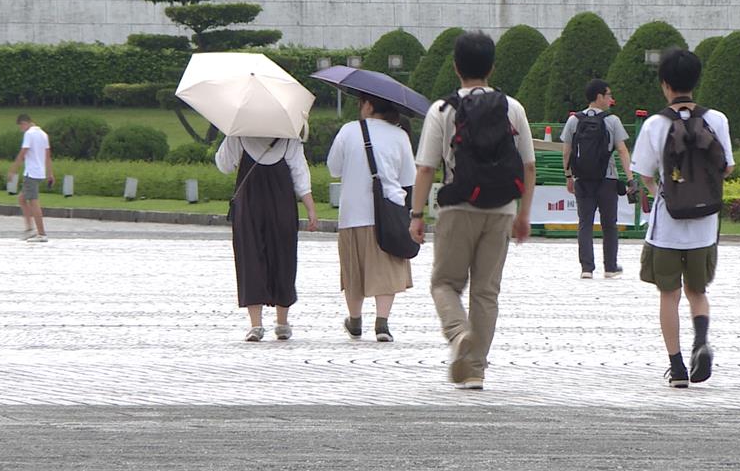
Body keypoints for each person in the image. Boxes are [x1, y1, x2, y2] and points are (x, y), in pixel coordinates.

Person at [409, 31, 536, 390]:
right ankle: (475, 368)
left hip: (457, 208)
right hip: (501, 210)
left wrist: (416, 215)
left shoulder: (443, 109)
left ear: (455, 66)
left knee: (444, 283)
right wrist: (523, 214)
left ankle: (458, 333)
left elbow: (425, 168)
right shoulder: (513, 107)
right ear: (492, 67)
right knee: (486, 292)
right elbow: (528, 166)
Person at [630, 48, 735, 388]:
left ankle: (676, 368)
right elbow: (727, 167)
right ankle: (701, 340)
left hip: (668, 227)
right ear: (696, 80)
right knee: (697, 290)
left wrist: (663, 187)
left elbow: (644, 174)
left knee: (668, 294)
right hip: (705, 226)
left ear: (665, 84)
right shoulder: (716, 119)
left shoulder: (655, 124)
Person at [327, 95, 416, 342]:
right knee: (386, 270)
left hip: (353, 213)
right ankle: (382, 323)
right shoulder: (400, 136)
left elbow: (333, 167)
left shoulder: (348, 131)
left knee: (353, 271)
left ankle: (355, 320)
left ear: (368, 105)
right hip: (388, 213)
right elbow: (408, 177)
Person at [216, 135, 318, 342]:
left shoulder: (239, 135)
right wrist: (310, 208)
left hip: (249, 205)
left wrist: (229, 136)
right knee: (284, 258)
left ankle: (256, 325)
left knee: (250, 259)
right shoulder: (289, 138)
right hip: (282, 204)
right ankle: (282, 322)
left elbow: (224, 165)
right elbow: (300, 174)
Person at [561, 79, 633, 279]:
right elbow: (622, 150)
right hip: (607, 179)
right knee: (609, 224)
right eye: (609, 95)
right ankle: (610, 267)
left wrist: (568, 177)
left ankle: (586, 269)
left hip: (582, 179)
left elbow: (566, 152)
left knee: (585, 223)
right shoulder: (612, 121)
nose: (611, 99)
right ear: (600, 96)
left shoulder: (574, 120)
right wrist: (630, 178)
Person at [8, 114, 54, 243]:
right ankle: (29, 229)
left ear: (24, 123)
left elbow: (23, 152)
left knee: (33, 202)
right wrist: (50, 173)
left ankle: (41, 233)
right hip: (39, 172)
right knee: (22, 198)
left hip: (31, 173)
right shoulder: (43, 134)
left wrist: (13, 170)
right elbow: (48, 156)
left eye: (21, 126)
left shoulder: (29, 134)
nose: (21, 129)